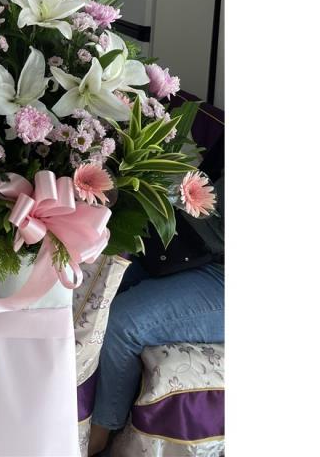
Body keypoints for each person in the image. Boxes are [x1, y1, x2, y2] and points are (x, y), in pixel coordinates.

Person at [88, 164, 224, 456]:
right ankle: (62, 401)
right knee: (96, 280)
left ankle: (98, 438)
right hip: (198, 244)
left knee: (123, 325)